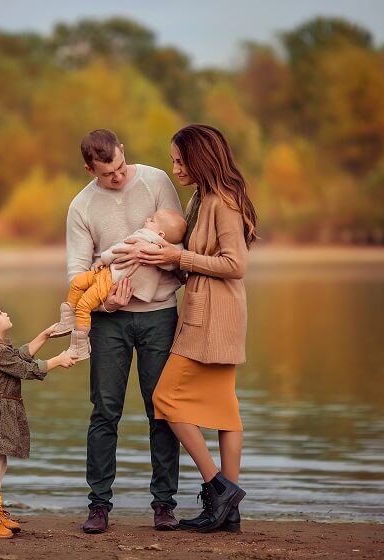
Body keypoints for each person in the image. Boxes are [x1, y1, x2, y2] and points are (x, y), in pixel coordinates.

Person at [136, 124, 258, 533]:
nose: (174, 167)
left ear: (199, 159)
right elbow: (190, 258)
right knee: (225, 409)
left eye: (178, 159)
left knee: (166, 399)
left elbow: (235, 265)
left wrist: (179, 256)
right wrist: (168, 257)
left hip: (213, 314)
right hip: (213, 310)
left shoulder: (222, 202)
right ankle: (230, 511)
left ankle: (218, 488)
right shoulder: (202, 198)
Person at [66, 128, 184, 533]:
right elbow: (77, 274)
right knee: (104, 412)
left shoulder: (156, 181)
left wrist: (155, 258)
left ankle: (164, 505)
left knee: (163, 412)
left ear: (123, 152)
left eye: (119, 166)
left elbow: (179, 246)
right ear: (89, 169)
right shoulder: (81, 206)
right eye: (106, 173)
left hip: (160, 313)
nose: (117, 177)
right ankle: (99, 505)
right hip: (108, 320)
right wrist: (105, 301)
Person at [0, 299, 76, 539]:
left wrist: (44, 336)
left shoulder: (0, 351)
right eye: (0, 312)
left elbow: (21, 355)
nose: (6, 313)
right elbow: (27, 369)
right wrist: (58, 360)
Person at [50, 208, 188, 361]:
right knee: (77, 282)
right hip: (107, 276)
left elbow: (119, 248)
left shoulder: (146, 236)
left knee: (83, 305)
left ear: (161, 234)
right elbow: (177, 260)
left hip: (110, 281)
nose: (147, 219)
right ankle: (68, 321)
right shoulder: (161, 247)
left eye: (152, 220)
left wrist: (103, 259)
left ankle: (79, 345)